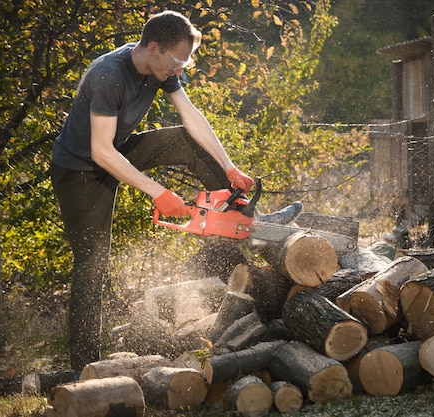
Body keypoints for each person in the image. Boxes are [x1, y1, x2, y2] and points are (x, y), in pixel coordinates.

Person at [50, 10, 301, 371]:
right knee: (92, 265)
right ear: (153, 48)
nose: (181, 69)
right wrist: (158, 192)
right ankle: (84, 367)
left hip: (115, 150)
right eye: (178, 61)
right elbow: (100, 151)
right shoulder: (109, 76)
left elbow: (191, 116)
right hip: (80, 171)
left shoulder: (160, 67)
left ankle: (245, 218)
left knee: (185, 141)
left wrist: (229, 167)